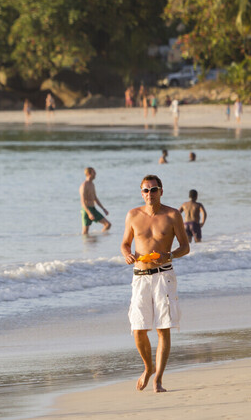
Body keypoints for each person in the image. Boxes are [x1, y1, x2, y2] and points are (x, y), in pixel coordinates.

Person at [120, 175, 191, 393]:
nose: (149, 194)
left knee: (163, 329)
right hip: (140, 277)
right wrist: (126, 253)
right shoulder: (133, 215)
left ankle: (158, 379)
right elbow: (125, 243)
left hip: (163, 276)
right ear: (141, 193)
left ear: (161, 191)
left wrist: (168, 255)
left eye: (154, 189)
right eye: (145, 190)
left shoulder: (172, 215)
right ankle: (148, 367)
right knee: (138, 329)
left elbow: (185, 247)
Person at [80, 167, 111, 235]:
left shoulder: (92, 184)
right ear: (89, 173)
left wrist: (103, 209)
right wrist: (89, 213)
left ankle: (98, 239)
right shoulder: (84, 185)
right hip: (86, 210)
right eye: (94, 172)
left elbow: (95, 198)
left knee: (108, 224)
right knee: (85, 232)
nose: (95, 174)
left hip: (93, 209)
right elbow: (82, 201)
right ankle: (86, 244)